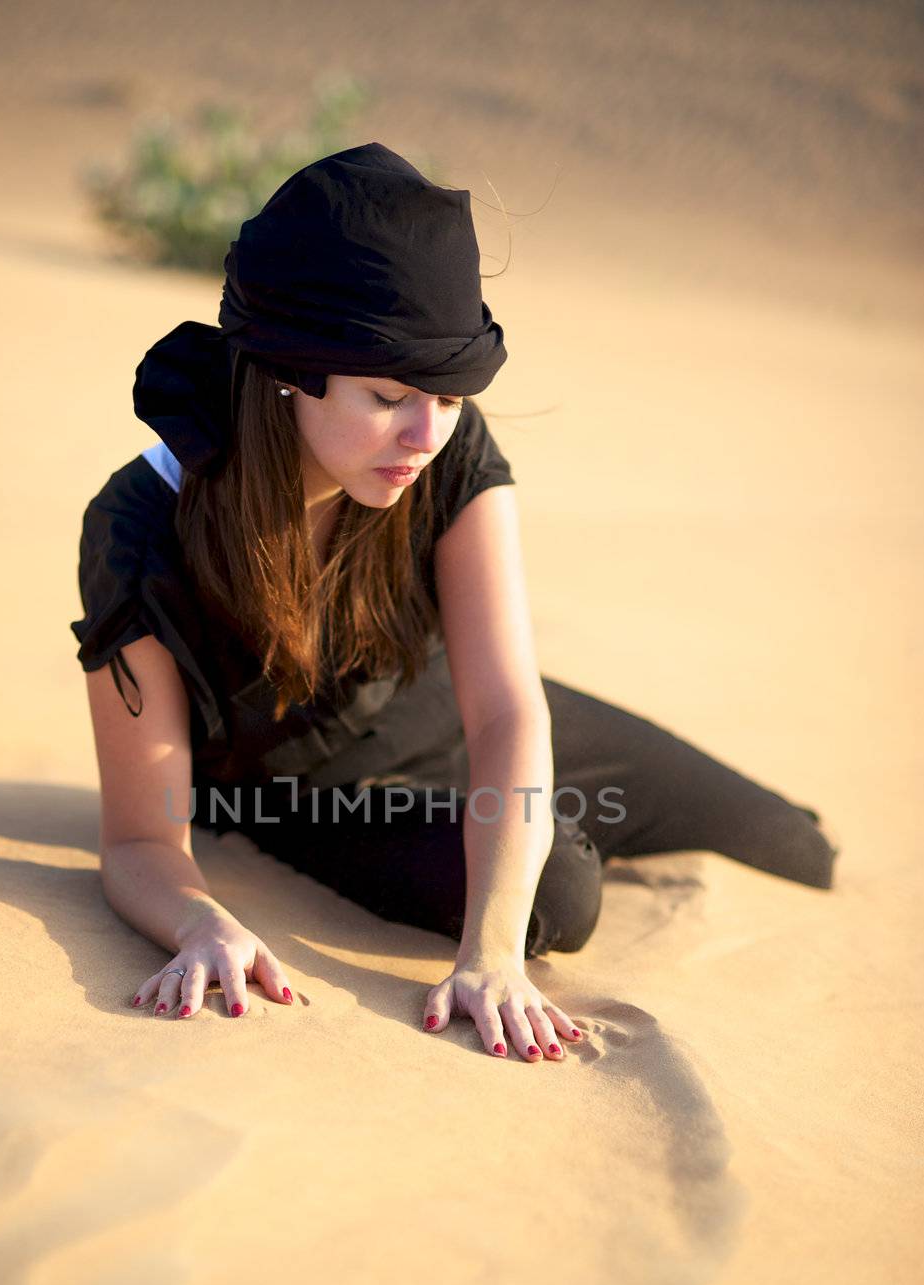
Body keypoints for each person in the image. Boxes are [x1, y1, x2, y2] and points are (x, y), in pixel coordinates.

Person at [71, 142, 838, 1061]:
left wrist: (492, 958)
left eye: (447, 395)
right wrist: (202, 927)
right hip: (314, 792)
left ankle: (537, 827)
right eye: (388, 395)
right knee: (555, 893)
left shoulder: (441, 445)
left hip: (451, 711)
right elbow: (138, 841)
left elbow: (507, 706)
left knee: (798, 852)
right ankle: (534, 837)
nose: (425, 434)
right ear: (283, 373)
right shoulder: (140, 526)